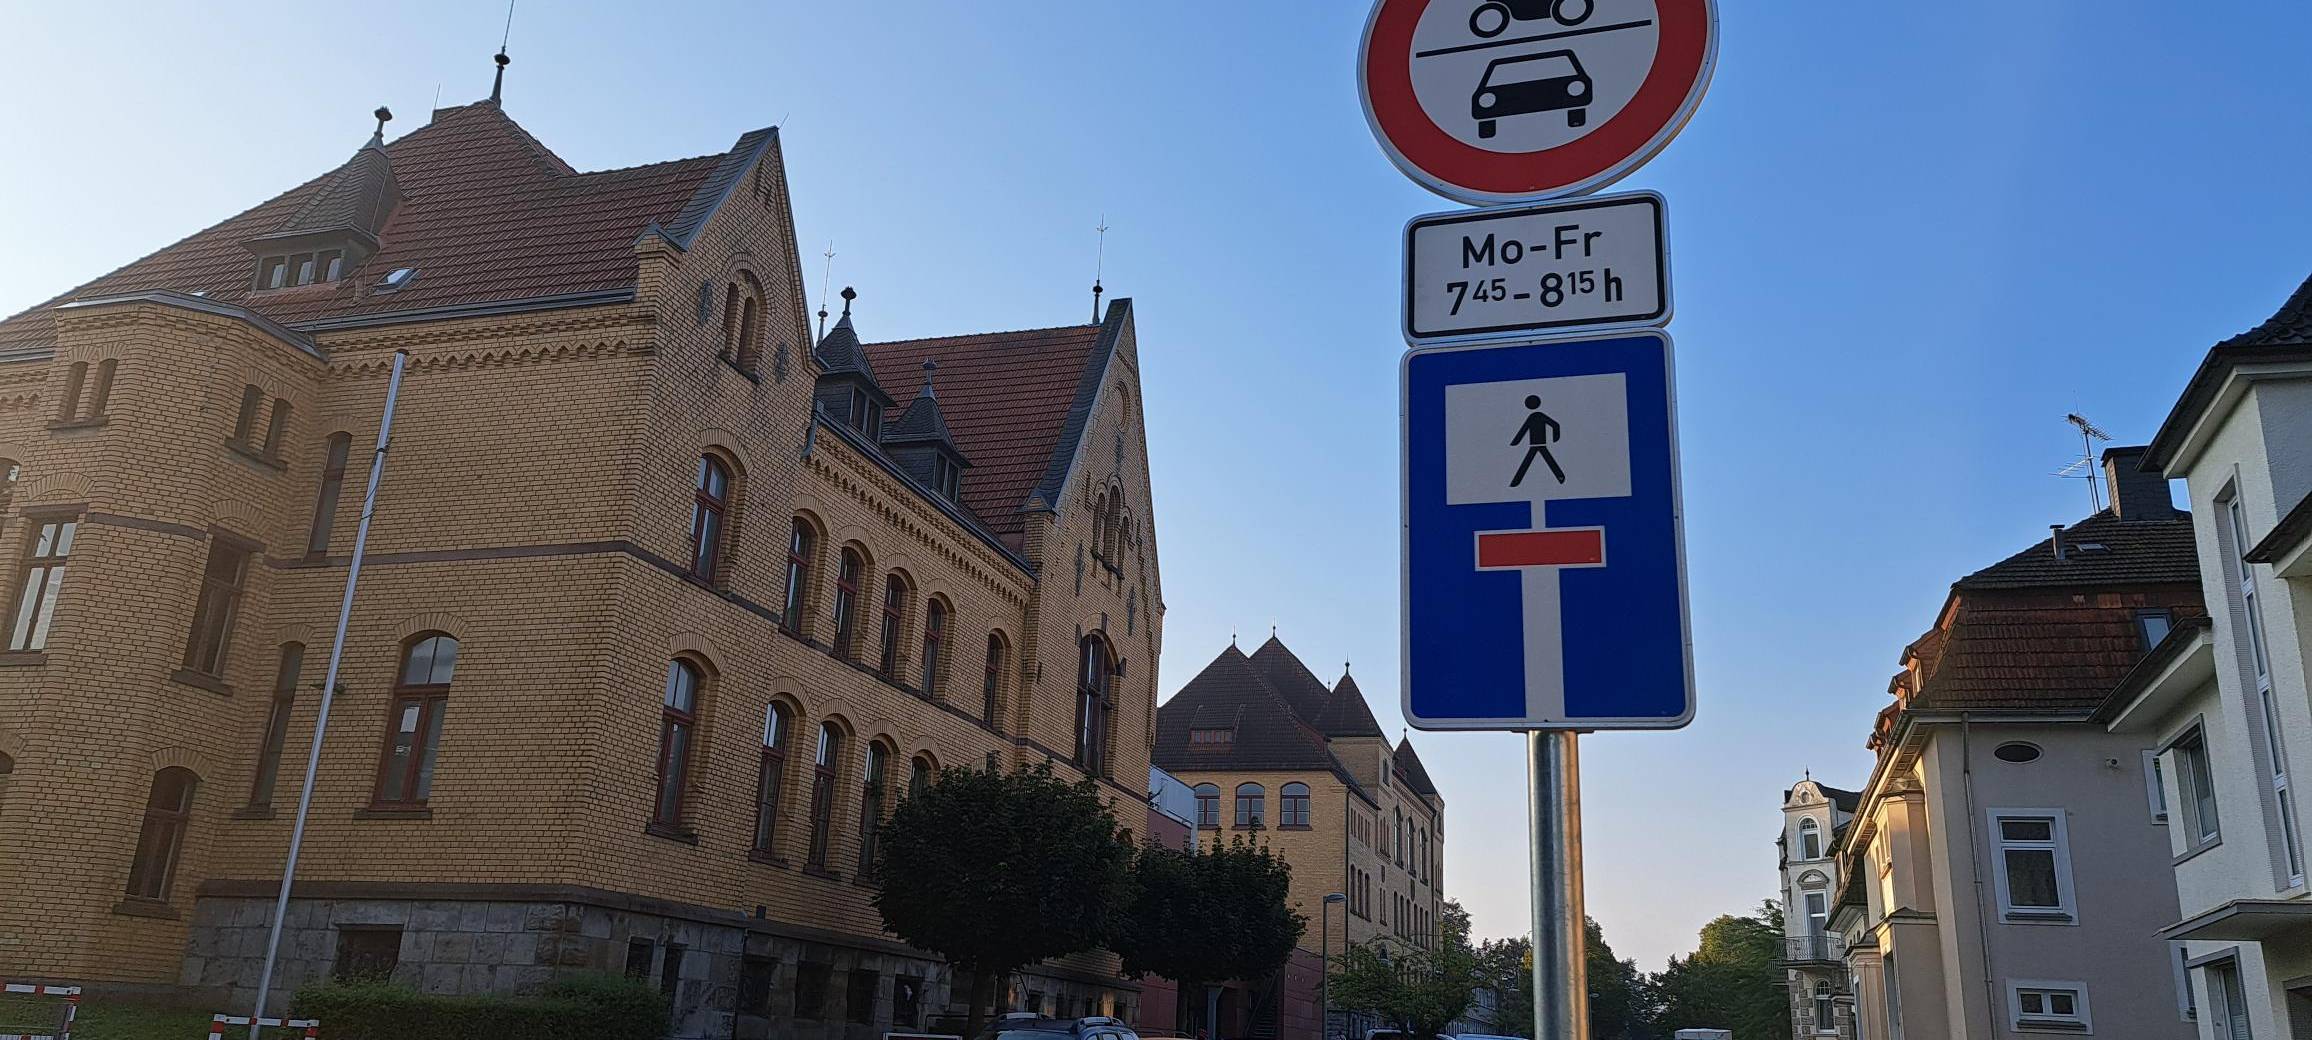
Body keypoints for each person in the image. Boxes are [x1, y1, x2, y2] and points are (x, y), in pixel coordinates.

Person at [1511, 393, 1565, 486]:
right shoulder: (1534, 416)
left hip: (1539, 444)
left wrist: (1555, 438)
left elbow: (1555, 425)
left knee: (1534, 460)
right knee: (1530, 461)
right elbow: (1524, 429)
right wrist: (1515, 442)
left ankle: (1560, 477)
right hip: (1534, 444)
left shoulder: (1538, 416)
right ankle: (1515, 481)